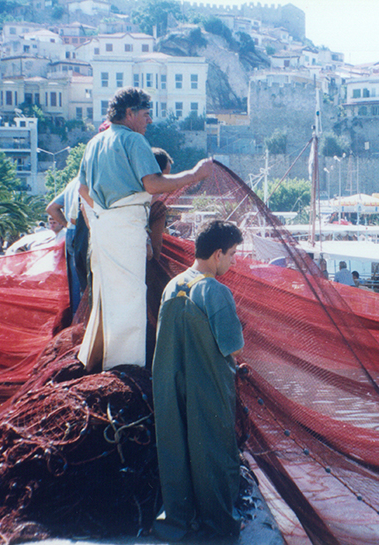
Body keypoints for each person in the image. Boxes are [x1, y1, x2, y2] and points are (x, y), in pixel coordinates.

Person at [76, 87, 213, 372]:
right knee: (130, 296)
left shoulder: (94, 143)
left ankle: (96, 359)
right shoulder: (134, 141)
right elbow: (153, 184)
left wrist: (102, 214)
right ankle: (125, 367)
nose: (149, 121)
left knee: (105, 295)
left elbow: (83, 190)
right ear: (130, 114)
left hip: (102, 226)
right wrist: (194, 174)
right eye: (146, 114)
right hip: (126, 224)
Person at [152, 220, 244, 542]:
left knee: (174, 448)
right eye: (232, 255)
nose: (232, 262)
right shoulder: (216, 291)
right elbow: (231, 345)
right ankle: (218, 526)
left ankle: (178, 520)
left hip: (168, 384)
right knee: (213, 452)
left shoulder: (171, 286)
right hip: (207, 386)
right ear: (217, 254)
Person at [47, 175, 88, 315]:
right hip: (83, 231)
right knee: (87, 281)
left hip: (71, 232)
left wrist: (67, 225)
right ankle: (84, 320)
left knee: (75, 283)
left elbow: (52, 208)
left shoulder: (72, 183)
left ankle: (75, 319)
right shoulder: (89, 179)